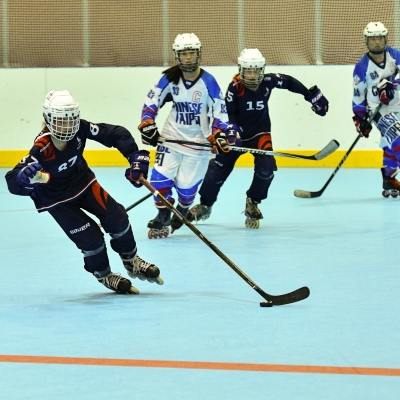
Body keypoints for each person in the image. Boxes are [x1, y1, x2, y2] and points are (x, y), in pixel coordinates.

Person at [5, 90, 163, 294]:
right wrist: (22, 178)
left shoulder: (81, 128)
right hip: (56, 200)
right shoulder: (41, 148)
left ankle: (131, 259)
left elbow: (115, 133)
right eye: (61, 121)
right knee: (91, 238)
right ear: (48, 119)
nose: (68, 126)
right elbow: (13, 179)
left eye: (71, 119)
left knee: (117, 217)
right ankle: (104, 274)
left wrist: (134, 156)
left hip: (83, 182)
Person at [187, 48, 329, 228]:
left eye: (256, 71)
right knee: (217, 170)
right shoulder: (234, 87)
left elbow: (288, 82)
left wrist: (309, 95)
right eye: (248, 71)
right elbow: (229, 114)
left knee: (267, 169)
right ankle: (206, 205)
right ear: (241, 70)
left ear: (262, 70)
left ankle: (253, 202)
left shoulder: (268, 81)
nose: (252, 76)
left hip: (260, 133)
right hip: (236, 135)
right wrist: (232, 131)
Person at [138, 33, 232, 238]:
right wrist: (148, 122)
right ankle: (162, 215)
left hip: (198, 143)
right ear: (177, 55)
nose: (188, 57)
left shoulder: (208, 81)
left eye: (192, 53)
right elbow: (152, 100)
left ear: (199, 54)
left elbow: (220, 110)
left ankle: (181, 210)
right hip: (171, 137)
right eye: (184, 53)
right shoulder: (169, 78)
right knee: (158, 181)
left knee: (186, 189)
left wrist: (218, 134)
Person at [352, 21, 400, 197]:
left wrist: (392, 84)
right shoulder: (362, 67)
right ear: (367, 41)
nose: (377, 42)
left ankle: (389, 179)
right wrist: (360, 119)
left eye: (380, 38)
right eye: (373, 39)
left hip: (398, 105)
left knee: (389, 144)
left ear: (385, 38)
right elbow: (358, 97)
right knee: (398, 139)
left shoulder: (395, 55)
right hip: (379, 111)